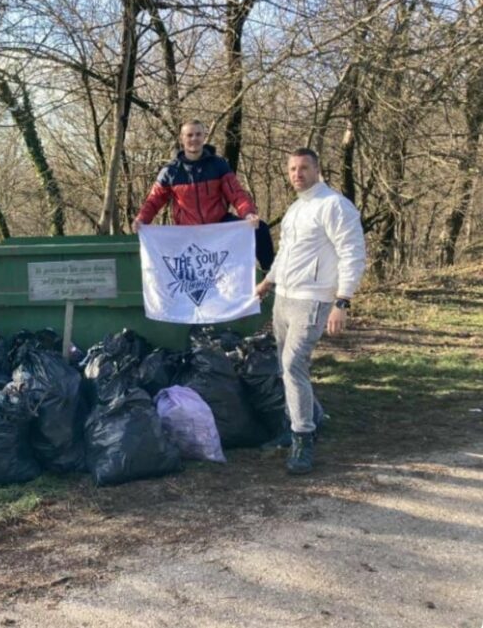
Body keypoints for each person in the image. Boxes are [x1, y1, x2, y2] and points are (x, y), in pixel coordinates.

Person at [255, 148, 366, 474]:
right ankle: (299, 422)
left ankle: (303, 439)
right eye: (292, 169)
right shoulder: (294, 209)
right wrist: (268, 282)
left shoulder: (334, 206)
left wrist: (342, 301)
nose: (297, 174)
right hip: (285, 299)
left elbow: (352, 253)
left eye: (304, 168)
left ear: (317, 170)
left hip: (314, 300)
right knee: (283, 367)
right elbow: (286, 253)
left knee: (293, 365)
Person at [131, 119, 275, 271]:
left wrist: (248, 213)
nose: (194, 139)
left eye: (198, 134)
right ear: (182, 138)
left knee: (260, 229)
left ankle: (270, 279)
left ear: (204, 137)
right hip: (187, 231)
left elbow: (237, 194)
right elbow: (154, 200)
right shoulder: (170, 171)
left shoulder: (218, 164)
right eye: (190, 135)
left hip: (219, 225)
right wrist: (141, 219)